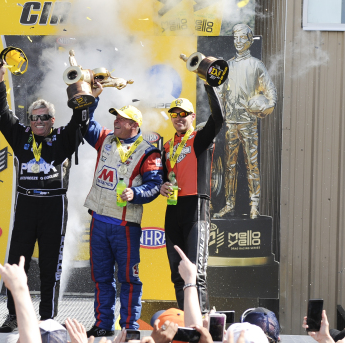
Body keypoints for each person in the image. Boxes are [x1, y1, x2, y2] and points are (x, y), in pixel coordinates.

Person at [0, 60, 89, 332]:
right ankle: (14, 315)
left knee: (50, 266)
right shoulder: (21, 136)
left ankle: (47, 317)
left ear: (52, 120)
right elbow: (1, 112)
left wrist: (81, 89)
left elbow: (80, 120)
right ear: (29, 120)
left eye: (44, 117)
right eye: (34, 117)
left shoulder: (62, 137)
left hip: (53, 205)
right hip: (26, 204)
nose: (39, 122)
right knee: (15, 263)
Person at [82, 86, 163, 336]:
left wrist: (135, 194)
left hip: (125, 227)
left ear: (134, 125)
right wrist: (93, 98)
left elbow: (155, 185)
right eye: (115, 117)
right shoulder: (106, 138)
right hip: (99, 221)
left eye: (121, 119)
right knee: (101, 278)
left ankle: (129, 328)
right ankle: (103, 325)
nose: (115, 121)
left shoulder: (148, 151)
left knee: (129, 279)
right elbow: (85, 124)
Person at [159, 86, 224, 313]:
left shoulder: (199, 139)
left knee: (195, 273)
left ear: (192, 116)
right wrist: (162, 185)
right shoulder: (167, 146)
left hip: (196, 207)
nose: (178, 118)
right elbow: (160, 177)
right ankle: (188, 322)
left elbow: (219, 118)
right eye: (174, 114)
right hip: (173, 208)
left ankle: (203, 324)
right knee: (178, 274)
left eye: (183, 114)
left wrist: (209, 84)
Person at [214, 23, 277, 219]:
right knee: (229, 166)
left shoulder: (256, 65)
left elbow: (271, 93)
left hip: (249, 124)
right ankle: (229, 204)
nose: (238, 41)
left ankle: (254, 206)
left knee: (251, 164)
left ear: (250, 40)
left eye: (243, 38)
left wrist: (266, 108)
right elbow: (220, 95)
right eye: (236, 38)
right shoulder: (228, 65)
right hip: (231, 124)